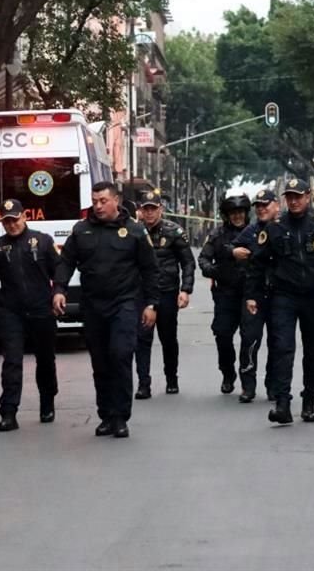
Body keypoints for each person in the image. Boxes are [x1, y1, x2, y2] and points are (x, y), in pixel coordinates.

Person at [53, 182, 159, 439]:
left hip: (124, 304)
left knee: (120, 355)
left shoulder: (134, 231)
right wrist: (59, 289)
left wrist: (151, 304)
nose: (97, 206)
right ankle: (106, 415)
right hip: (93, 305)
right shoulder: (82, 230)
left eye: (103, 200)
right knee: (100, 362)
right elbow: (66, 261)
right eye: (94, 201)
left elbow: (150, 270)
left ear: (116, 201)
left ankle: (121, 417)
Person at [246, 178, 314, 424]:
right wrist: (252, 295)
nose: (294, 201)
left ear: (308, 197)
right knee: (282, 348)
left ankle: (309, 401)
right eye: (289, 197)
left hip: (312, 297)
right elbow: (257, 264)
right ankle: (282, 403)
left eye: (298, 196)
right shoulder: (275, 228)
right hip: (284, 296)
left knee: (312, 350)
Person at [0, 199, 60, 432]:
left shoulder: (42, 241)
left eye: (15, 219)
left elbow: (59, 272)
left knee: (45, 360)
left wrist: (57, 294)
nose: (11, 225)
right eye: (6, 221)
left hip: (41, 310)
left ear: (24, 217)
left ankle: (47, 402)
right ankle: (8, 411)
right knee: (12, 361)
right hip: (11, 312)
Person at [134, 191, 195, 398]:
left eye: (153, 208)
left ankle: (171, 378)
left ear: (160, 209)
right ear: (140, 211)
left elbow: (187, 262)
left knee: (168, 338)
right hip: (142, 294)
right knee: (142, 339)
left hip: (167, 292)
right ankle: (144, 383)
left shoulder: (174, 231)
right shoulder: (134, 231)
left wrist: (185, 290)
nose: (150, 213)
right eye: (146, 209)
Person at [198, 194, 251, 395]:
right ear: (227, 216)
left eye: (240, 212)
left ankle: (248, 380)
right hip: (225, 294)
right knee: (222, 335)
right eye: (233, 213)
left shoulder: (255, 233)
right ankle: (228, 374)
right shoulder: (217, 235)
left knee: (249, 338)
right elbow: (203, 260)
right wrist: (216, 271)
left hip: (249, 294)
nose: (237, 216)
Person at [231, 189, 281, 402]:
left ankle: (273, 385)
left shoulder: (284, 229)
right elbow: (229, 248)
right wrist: (233, 252)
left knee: (279, 343)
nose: (261, 209)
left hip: (280, 295)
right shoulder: (250, 232)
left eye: (265, 204)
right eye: (258, 206)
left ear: (276, 205)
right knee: (250, 340)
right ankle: (248, 386)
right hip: (254, 294)